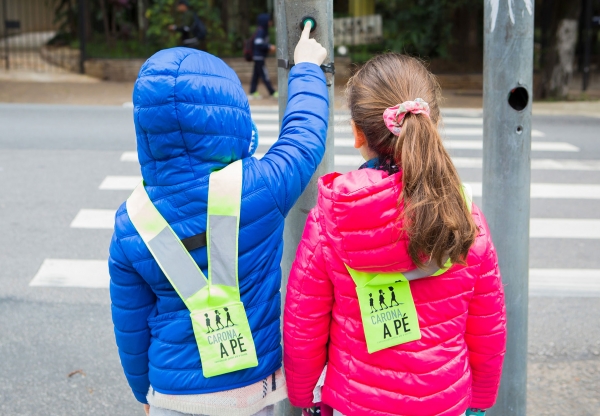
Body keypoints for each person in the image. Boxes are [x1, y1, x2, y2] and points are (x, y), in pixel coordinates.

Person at [109, 22, 327, 416]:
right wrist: (306, 68)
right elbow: (304, 138)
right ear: (230, 117)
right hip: (254, 391)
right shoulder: (260, 188)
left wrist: (145, 393)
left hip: (173, 395)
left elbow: (131, 327)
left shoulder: (131, 222)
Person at [283, 53, 507, 416]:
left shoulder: (333, 217)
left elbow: (303, 324)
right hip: (444, 402)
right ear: (433, 123)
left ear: (358, 133)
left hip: (355, 403)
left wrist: (303, 396)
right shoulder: (465, 216)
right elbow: (487, 329)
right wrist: (479, 402)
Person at [249, 13, 277, 100]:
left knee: (256, 75)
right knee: (265, 75)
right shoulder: (261, 31)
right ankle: (272, 92)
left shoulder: (263, 30)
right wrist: (269, 46)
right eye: (269, 20)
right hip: (259, 57)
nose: (270, 22)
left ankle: (252, 92)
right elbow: (258, 43)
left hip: (258, 57)